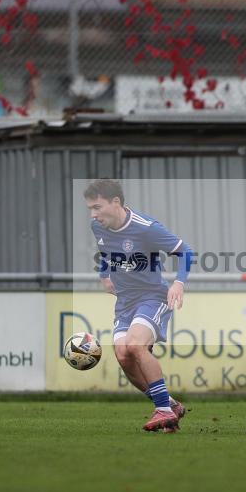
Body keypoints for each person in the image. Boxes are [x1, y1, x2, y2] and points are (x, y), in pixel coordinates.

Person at [85, 178, 193, 432]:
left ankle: (162, 410)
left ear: (116, 202)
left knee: (135, 345)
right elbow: (105, 251)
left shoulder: (146, 228)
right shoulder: (97, 227)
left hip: (152, 297)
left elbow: (184, 251)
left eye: (97, 207)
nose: (93, 214)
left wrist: (179, 283)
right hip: (125, 302)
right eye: (90, 208)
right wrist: (104, 274)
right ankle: (170, 405)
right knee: (123, 355)